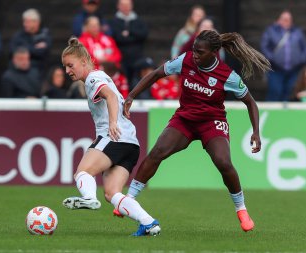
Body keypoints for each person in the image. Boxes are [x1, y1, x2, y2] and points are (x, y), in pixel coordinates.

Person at [121, 30, 271, 232]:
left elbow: (251, 103)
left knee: (223, 162)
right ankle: (128, 199)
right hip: (185, 119)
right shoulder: (186, 60)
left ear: (214, 52)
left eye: (200, 52)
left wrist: (256, 132)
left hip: (212, 122)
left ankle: (241, 209)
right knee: (157, 152)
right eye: (194, 50)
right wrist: (131, 95)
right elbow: (157, 73)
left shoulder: (228, 76)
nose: (196, 55)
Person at [61, 37, 161, 236]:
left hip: (114, 137)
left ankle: (89, 198)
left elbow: (111, 96)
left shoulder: (92, 78)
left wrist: (113, 122)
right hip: (131, 144)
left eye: (70, 65)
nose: (67, 71)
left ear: (83, 61)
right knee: (112, 193)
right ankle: (149, 223)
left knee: (82, 172)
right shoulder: (100, 75)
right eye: (64, 67)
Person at [260, 10, 306, 101]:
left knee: (289, 92)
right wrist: (272, 59)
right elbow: (264, 46)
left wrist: (301, 61)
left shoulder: (297, 32)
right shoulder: (271, 31)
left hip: (294, 70)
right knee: (275, 91)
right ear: (279, 20)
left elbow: (305, 48)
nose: (287, 21)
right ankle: (272, 112)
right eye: (284, 19)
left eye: (289, 19)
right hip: (275, 69)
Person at [110, 0, 148, 85]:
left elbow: (143, 35)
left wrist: (129, 32)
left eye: (127, 5)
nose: (125, 7)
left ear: (132, 6)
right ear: (118, 6)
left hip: (137, 58)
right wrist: (134, 37)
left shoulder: (138, 20)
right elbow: (117, 37)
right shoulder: (114, 22)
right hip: (121, 59)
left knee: (137, 82)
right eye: (123, 5)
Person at [9, 8, 52, 76]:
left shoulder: (45, 34)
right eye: (24, 21)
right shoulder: (18, 35)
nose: (24, 24)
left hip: (40, 72)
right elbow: (12, 50)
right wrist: (33, 48)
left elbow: (42, 52)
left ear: (36, 22)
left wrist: (24, 48)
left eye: (27, 22)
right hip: (20, 74)